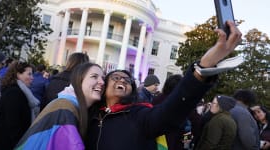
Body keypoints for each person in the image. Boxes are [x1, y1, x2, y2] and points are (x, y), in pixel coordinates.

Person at [86, 20, 242, 150]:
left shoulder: (138, 115)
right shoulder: (90, 114)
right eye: (116, 77)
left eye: (127, 80)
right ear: (104, 85)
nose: (122, 80)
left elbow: (171, 111)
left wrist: (202, 69)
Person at [15, 62, 105, 150]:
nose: (102, 82)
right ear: (79, 80)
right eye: (94, 76)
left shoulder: (69, 105)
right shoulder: (65, 109)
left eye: (103, 78)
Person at [0, 61, 40, 150]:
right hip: (7, 144)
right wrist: (20, 145)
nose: (32, 78)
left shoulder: (20, 92)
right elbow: (13, 125)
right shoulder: (14, 93)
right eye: (29, 74)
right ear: (18, 74)